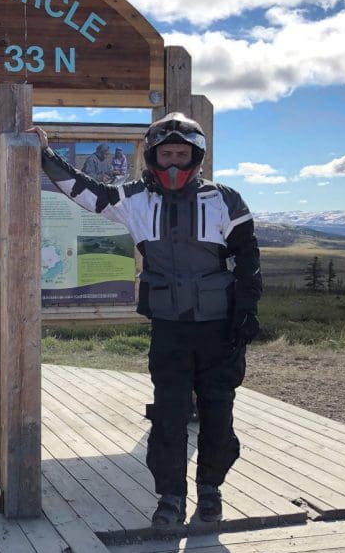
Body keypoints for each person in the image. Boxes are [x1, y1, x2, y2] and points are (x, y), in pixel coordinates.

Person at [30, 113, 262, 528]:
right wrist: (45, 154)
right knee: (168, 415)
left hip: (219, 328)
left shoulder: (225, 199)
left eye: (182, 154)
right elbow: (86, 192)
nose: (174, 162)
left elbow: (248, 259)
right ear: (153, 155)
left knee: (217, 414)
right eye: (166, 154)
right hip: (169, 329)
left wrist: (246, 312)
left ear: (198, 157)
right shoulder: (134, 198)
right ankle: (170, 497)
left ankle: (211, 492)